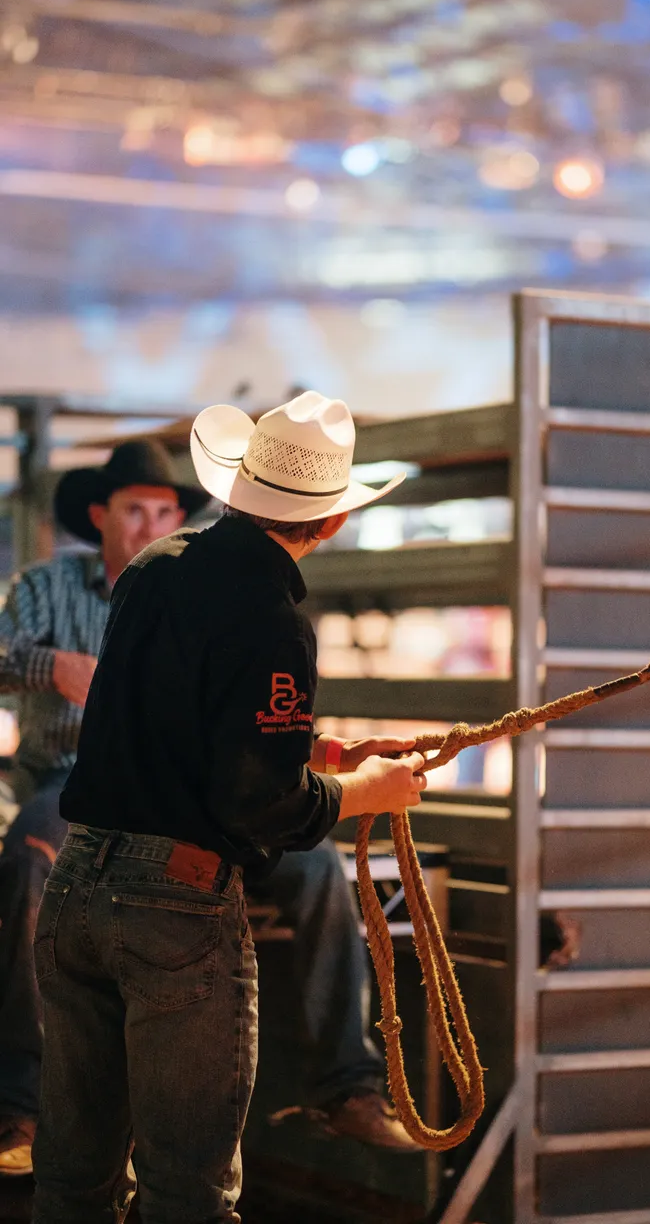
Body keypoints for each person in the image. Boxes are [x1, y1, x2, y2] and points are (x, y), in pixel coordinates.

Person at [31, 391, 427, 1224]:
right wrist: (366, 792)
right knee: (188, 1194)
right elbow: (262, 806)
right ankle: (344, 1084)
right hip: (173, 906)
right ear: (330, 522)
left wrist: (313, 754)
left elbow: (162, 723)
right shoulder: (273, 619)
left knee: (74, 1179)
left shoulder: (154, 567)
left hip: (78, 881)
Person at [0, 439, 205, 1177]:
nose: (150, 528)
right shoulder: (45, 586)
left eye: (163, 512)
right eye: (134, 512)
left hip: (164, 796)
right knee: (28, 867)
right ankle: (19, 1102)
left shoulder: (194, 595)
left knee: (310, 868)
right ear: (100, 515)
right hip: (69, 783)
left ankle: (346, 1085)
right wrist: (49, 665)